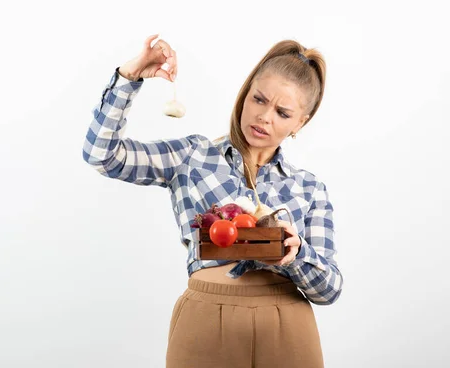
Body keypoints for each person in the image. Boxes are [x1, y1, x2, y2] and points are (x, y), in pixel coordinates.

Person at [82, 34, 343, 368]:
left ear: (300, 123)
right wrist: (128, 78)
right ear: (245, 93)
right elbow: (101, 156)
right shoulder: (190, 156)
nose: (264, 117)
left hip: (287, 324)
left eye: (282, 112)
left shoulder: (309, 188)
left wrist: (296, 253)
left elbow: (330, 289)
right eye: (259, 99)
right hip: (206, 318)